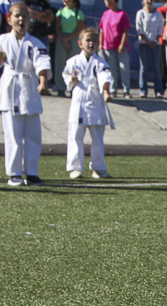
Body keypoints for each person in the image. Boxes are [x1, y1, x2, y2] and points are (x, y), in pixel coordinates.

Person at [0, 1, 49, 186]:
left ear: (30, 20)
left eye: (24, 16)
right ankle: (14, 173)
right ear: (9, 19)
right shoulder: (1, 41)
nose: (21, 19)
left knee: (33, 135)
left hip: (30, 88)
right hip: (11, 88)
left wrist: (42, 82)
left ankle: (31, 172)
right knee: (12, 134)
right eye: (17, 15)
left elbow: (42, 63)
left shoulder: (36, 43)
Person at [63, 25, 110, 177]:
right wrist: (71, 79)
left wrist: (106, 90)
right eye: (88, 40)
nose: (91, 43)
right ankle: (75, 167)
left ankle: (98, 167)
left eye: (94, 41)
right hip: (79, 100)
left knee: (97, 137)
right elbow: (66, 76)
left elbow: (105, 77)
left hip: (95, 100)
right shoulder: (73, 61)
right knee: (75, 135)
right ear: (80, 43)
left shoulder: (101, 62)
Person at [97, 0, 129, 96]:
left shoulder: (122, 14)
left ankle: (126, 90)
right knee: (112, 69)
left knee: (124, 69)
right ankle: (113, 89)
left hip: (120, 47)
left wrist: (122, 45)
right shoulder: (105, 14)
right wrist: (100, 44)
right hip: (108, 46)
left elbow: (126, 30)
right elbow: (102, 30)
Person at [51, 0, 81, 94]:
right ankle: (60, 87)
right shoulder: (60, 12)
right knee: (60, 63)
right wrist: (63, 39)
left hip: (74, 38)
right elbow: (57, 27)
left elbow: (80, 28)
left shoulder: (78, 12)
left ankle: (73, 87)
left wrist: (68, 39)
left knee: (74, 65)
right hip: (62, 38)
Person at [136, 0, 162, 95]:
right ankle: (143, 90)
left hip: (156, 44)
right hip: (143, 43)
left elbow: (160, 28)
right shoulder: (140, 13)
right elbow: (139, 29)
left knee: (156, 68)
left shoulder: (158, 14)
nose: (149, 1)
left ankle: (158, 91)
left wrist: (155, 40)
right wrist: (148, 41)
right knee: (143, 67)